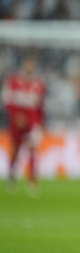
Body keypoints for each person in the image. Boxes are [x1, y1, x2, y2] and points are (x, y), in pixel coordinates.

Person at [2, 56, 45, 194]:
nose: (29, 68)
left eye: (31, 65)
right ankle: (11, 176)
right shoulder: (13, 82)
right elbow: (8, 102)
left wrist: (40, 123)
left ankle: (32, 180)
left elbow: (41, 106)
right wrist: (16, 117)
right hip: (17, 122)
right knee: (16, 150)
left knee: (33, 150)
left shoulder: (38, 84)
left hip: (33, 122)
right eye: (27, 65)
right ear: (23, 66)